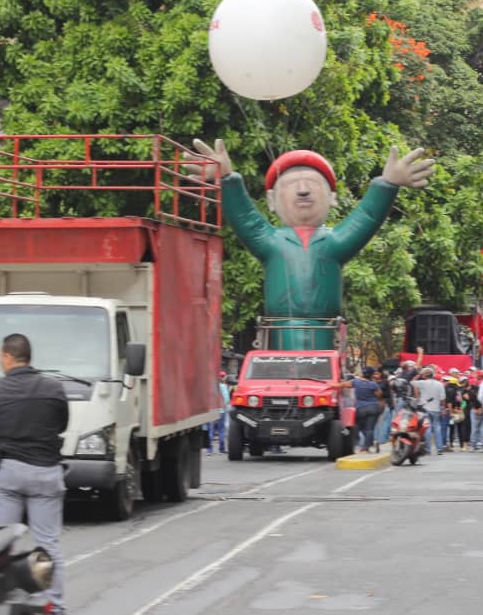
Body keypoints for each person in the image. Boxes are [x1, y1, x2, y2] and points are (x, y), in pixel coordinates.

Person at [188, 140, 434, 350]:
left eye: (313, 184)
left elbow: (367, 218)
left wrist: (387, 184)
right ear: (271, 200)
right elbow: (244, 219)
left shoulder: (333, 242)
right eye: (291, 184)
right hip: (278, 333)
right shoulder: (272, 243)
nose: (303, 190)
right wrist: (228, 180)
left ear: (333, 198)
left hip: (326, 334)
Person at [0, 333, 72, 615]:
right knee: (48, 543)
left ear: (8, 356)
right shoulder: (54, 388)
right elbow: (62, 423)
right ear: (29, 357)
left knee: (1, 542)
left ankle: (2, 610)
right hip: (46, 471)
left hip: (8, 471)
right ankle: (54, 611)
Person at [411, 367, 446, 454]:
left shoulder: (422, 383)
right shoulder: (439, 384)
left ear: (424, 376)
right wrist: (443, 408)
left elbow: (412, 382)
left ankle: (428, 449)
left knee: (427, 428)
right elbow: (443, 398)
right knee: (437, 428)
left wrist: (419, 374)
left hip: (425, 409)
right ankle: (440, 448)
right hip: (436, 409)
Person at [208, 370, 229, 455]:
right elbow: (227, 399)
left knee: (211, 430)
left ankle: (210, 450)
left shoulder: (210, 386)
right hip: (221, 411)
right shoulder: (223, 386)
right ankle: (221, 448)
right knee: (221, 430)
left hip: (211, 410)